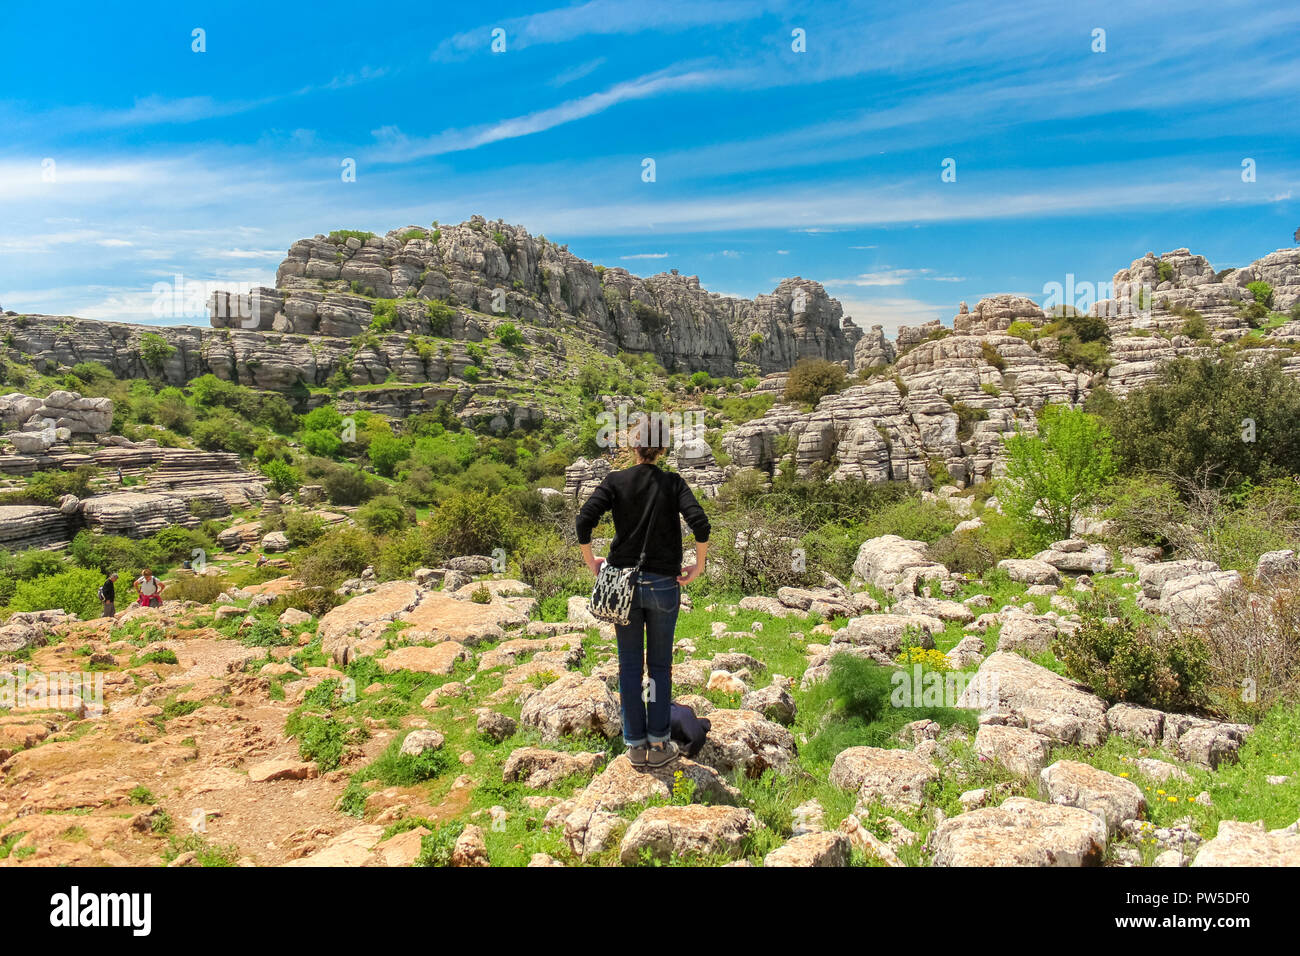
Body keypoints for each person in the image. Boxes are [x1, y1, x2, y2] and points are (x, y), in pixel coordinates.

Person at [576, 416, 710, 771]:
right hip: (665, 585)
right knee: (661, 667)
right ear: (663, 448)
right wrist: (698, 566)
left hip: (623, 586)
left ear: (633, 447)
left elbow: (583, 521)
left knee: (630, 666)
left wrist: (592, 563)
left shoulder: (615, 481)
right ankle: (659, 742)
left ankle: (635, 747)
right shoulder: (673, 483)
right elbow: (700, 522)